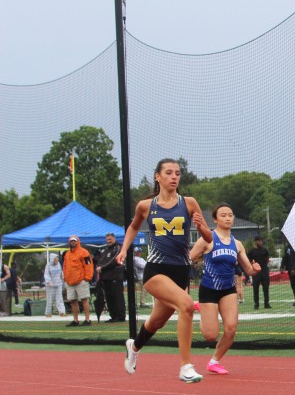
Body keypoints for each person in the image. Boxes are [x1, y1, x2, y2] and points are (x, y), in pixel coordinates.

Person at [117, 158, 213, 383]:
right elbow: (133, 227)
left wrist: (200, 226)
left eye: (177, 173)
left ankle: (134, 346)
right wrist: (124, 250)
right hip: (156, 271)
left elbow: (209, 238)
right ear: (157, 176)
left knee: (156, 322)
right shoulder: (146, 206)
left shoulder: (189, 203)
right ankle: (186, 366)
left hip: (181, 272)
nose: (174, 177)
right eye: (169, 173)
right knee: (186, 305)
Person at [189, 203, 261, 375]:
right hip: (209, 289)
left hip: (228, 290)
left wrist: (255, 269)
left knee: (231, 328)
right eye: (223, 215)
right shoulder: (207, 239)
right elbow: (188, 259)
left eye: (230, 215)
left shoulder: (237, 244)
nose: (228, 218)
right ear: (215, 219)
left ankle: (214, 361)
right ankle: (201, 308)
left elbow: (248, 269)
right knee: (210, 336)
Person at [63, 235, 94, 326]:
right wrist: (65, 278)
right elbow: (65, 267)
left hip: (81, 280)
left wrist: (87, 277)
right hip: (70, 281)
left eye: (74, 241)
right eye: (71, 241)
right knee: (73, 301)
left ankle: (87, 320)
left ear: (78, 241)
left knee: (84, 299)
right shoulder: (67, 254)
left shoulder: (84, 252)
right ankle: (75, 320)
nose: (73, 242)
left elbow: (88, 265)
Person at [95, 232, 126, 322]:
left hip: (115, 277)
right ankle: (113, 316)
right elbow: (101, 261)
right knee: (109, 298)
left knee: (117, 297)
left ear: (114, 238)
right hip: (106, 278)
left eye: (110, 239)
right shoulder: (106, 250)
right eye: (107, 239)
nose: (108, 241)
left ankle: (120, 316)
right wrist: (99, 266)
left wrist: (102, 267)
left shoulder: (118, 248)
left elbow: (114, 260)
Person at [246, 236, 271, 309]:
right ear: (256, 241)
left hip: (264, 271)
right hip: (256, 272)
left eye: (261, 241)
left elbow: (267, 259)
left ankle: (267, 303)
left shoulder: (265, 250)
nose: (261, 242)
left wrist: (264, 267)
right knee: (255, 288)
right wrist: (253, 266)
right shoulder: (251, 251)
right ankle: (256, 304)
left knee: (266, 288)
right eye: (259, 241)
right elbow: (248, 261)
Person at [281, 241, 295, 307]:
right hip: (290, 269)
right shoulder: (288, 247)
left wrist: (294, 268)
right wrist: (282, 266)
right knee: (293, 285)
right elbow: (285, 257)